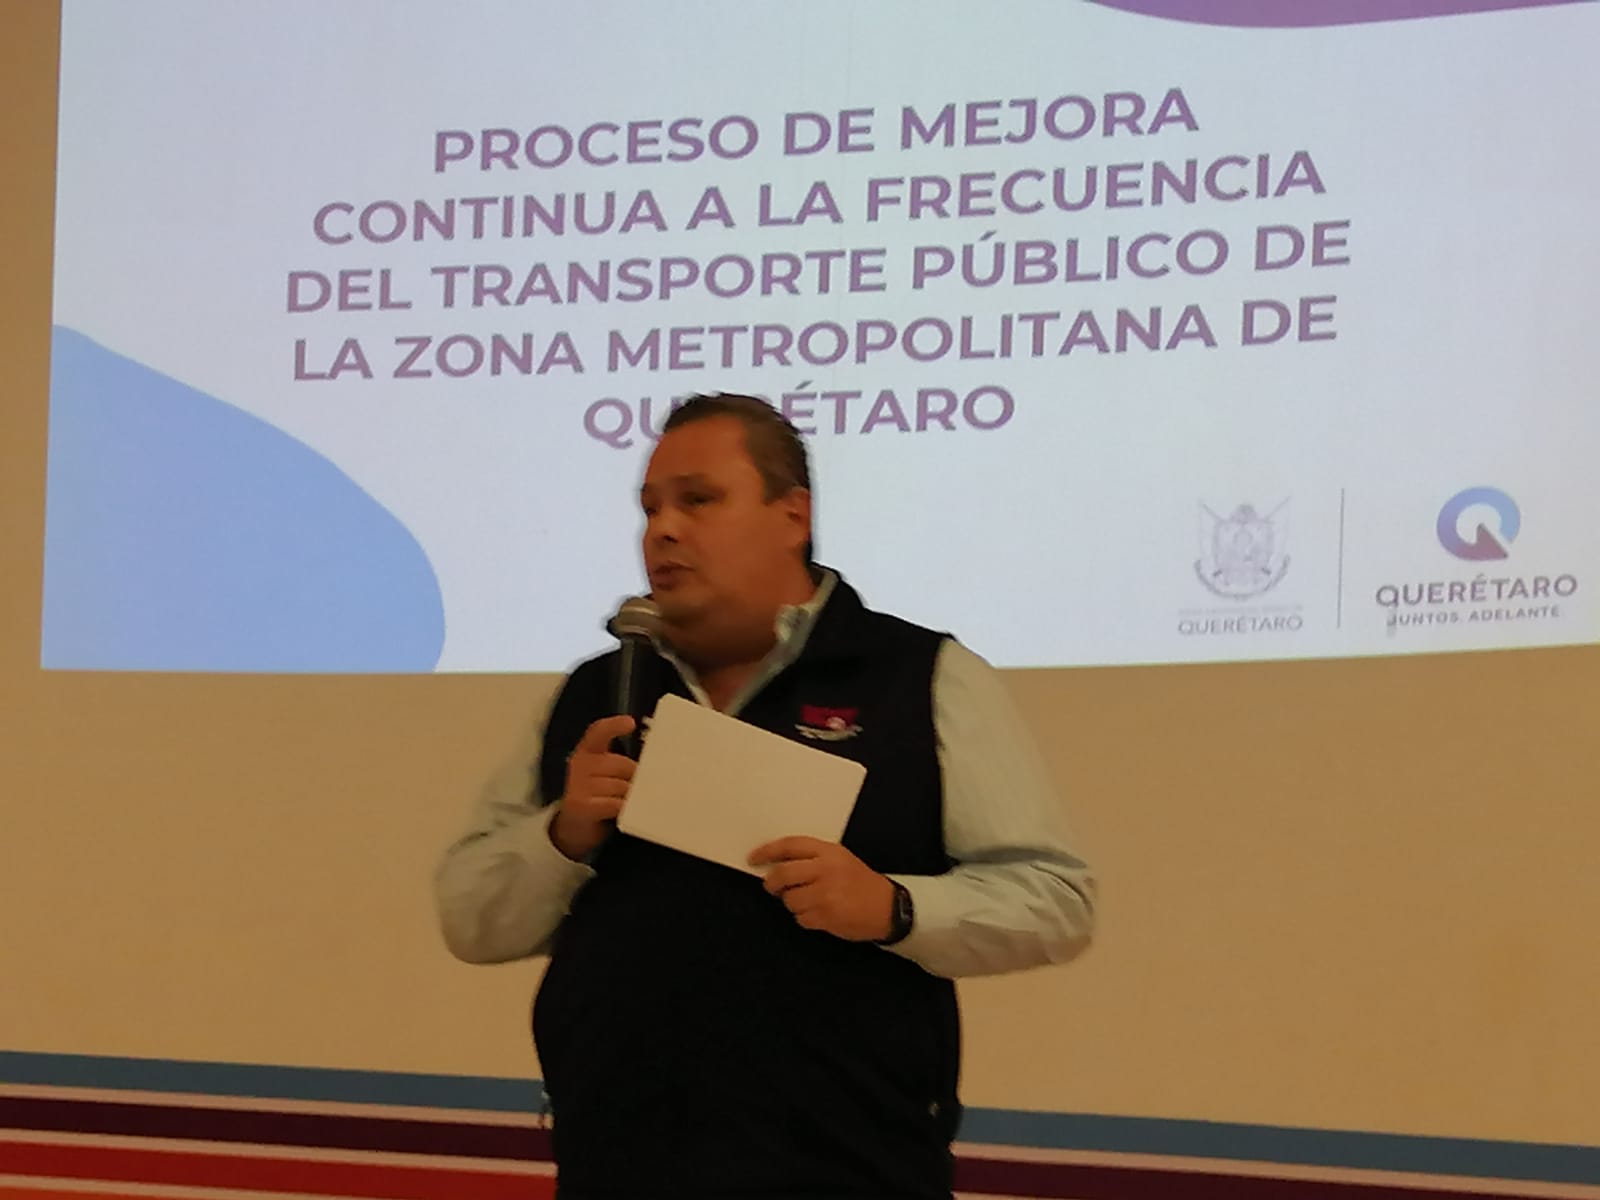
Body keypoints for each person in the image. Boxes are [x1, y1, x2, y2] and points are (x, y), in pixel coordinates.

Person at [434, 393, 1096, 1200]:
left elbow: (1054, 901)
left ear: (793, 516)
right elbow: (470, 919)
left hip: (848, 1171)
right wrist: (563, 836)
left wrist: (894, 907)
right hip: (617, 1165)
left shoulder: (918, 675)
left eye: (698, 499)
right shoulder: (596, 693)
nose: (662, 530)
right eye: (650, 508)